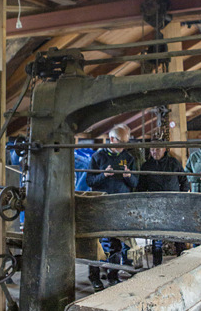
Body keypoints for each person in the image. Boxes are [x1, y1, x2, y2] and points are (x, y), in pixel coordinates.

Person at [86, 124, 138, 291]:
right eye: (120, 142)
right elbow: (89, 181)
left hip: (120, 205)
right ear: (111, 139)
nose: (122, 146)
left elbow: (136, 183)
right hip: (101, 205)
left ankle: (113, 277)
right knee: (98, 243)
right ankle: (94, 277)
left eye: (125, 143)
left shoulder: (129, 158)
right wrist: (104, 175)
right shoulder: (98, 157)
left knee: (117, 242)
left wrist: (129, 176)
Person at [137, 140, 189, 266]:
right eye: (152, 149)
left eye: (158, 149)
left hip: (173, 205)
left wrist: (181, 198)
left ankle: (181, 264)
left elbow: (184, 181)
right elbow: (141, 187)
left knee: (178, 236)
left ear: (165, 149)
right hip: (155, 206)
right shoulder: (146, 166)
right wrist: (144, 203)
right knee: (157, 238)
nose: (155, 152)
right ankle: (157, 265)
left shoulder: (173, 163)